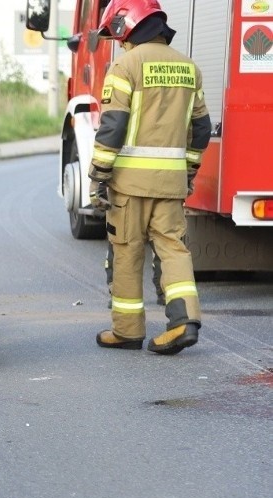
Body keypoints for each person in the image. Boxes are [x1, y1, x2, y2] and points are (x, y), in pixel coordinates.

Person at [89, 0, 211, 354]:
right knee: (173, 249)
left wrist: (98, 175)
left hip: (129, 186)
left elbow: (113, 127)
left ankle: (127, 331)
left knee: (126, 252)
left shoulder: (125, 65)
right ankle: (184, 321)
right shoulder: (189, 67)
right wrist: (188, 170)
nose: (120, 43)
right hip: (171, 184)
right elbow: (200, 128)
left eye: (119, 36)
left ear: (128, 27)